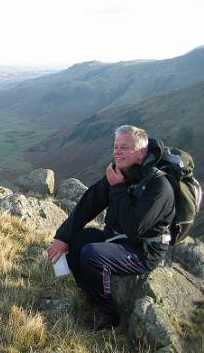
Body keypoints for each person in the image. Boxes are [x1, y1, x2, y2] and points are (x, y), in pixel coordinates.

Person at [47, 125, 175, 330]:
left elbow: (134, 228)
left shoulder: (158, 187)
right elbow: (89, 203)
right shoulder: (120, 173)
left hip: (143, 251)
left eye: (124, 147)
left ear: (141, 152)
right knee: (77, 241)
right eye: (116, 147)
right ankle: (91, 295)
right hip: (116, 239)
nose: (117, 152)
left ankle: (108, 315)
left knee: (92, 254)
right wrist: (62, 237)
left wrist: (118, 187)